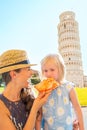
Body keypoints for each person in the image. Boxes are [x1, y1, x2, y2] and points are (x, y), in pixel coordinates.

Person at [0, 49, 50, 130]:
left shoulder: (28, 95)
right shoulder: (1, 107)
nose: (31, 72)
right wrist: (35, 109)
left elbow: (38, 122)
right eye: (28, 69)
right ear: (14, 74)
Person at [35, 53, 84, 130]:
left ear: (60, 69)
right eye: (45, 70)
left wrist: (82, 128)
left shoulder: (68, 87)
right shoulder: (42, 90)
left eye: (52, 70)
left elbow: (77, 108)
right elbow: (39, 115)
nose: (48, 74)